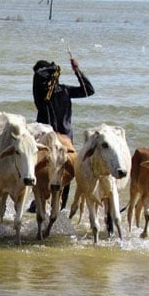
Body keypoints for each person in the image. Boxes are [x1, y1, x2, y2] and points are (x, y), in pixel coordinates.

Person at [29, 56, 95, 211]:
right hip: (61, 137)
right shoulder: (43, 94)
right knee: (48, 171)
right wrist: (61, 69)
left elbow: (89, 91)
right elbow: (39, 75)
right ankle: (44, 203)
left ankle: (57, 206)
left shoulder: (51, 92)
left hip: (54, 138)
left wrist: (76, 70)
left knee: (59, 171)